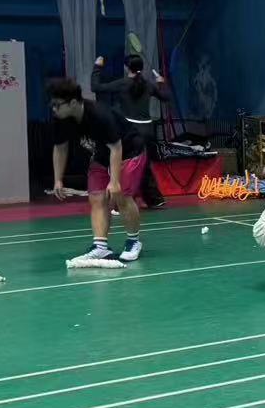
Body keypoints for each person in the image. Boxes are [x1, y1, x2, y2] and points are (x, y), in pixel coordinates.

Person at [47, 77, 146, 261]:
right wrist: (58, 179)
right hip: (101, 154)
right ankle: (101, 247)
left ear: (73, 103)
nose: (53, 109)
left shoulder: (100, 115)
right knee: (96, 197)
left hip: (128, 150)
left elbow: (116, 147)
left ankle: (134, 241)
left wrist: (114, 181)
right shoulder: (60, 119)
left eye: (57, 105)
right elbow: (60, 147)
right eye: (51, 104)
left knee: (121, 196)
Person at [92, 54, 172, 209]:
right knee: (143, 165)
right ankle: (154, 199)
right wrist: (161, 83)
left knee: (124, 167)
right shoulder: (149, 85)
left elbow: (96, 87)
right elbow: (166, 97)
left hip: (130, 133)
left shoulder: (122, 83)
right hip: (148, 131)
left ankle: (119, 203)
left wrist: (97, 67)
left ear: (126, 68)